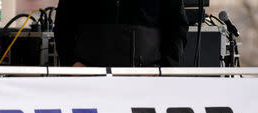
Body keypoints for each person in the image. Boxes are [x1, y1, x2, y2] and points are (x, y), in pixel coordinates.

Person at [54, 0, 189, 67]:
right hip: (90, 80)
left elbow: (177, 28)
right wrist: (71, 63)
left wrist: (162, 69)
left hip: (146, 81)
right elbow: (63, 24)